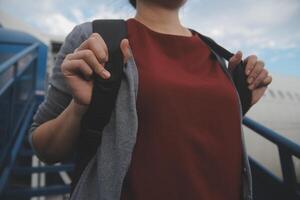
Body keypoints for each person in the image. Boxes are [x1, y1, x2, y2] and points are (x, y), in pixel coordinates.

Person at [28, 0, 272, 199]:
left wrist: (240, 101)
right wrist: (79, 107)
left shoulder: (214, 55)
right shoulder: (95, 37)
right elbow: (43, 146)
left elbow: (188, 133)